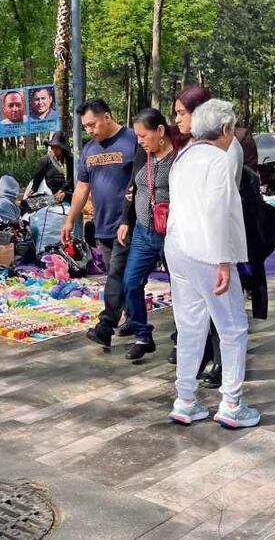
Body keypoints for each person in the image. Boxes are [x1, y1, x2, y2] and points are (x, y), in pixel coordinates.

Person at [166, 99, 260, 428]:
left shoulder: (184, 157)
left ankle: (186, 399)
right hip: (207, 251)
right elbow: (218, 212)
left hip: (178, 248)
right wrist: (224, 261)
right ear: (224, 130)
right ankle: (231, 403)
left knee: (190, 326)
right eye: (232, 129)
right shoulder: (218, 160)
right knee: (232, 327)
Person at [60, 99, 139, 350]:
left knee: (116, 273)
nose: (90, 131)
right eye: (85, 127)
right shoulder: (89, 150)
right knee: (119, 275)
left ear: (107, 117)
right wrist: (70, 219)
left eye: (92, 125)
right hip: (102, 224)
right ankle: (135, 319)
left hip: (127, 223)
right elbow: (82, 187)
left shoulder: (132, 139)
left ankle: (106, 326)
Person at [119, 109, 179, 361]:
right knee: (131, 282)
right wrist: (125, 220)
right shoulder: (142, 154)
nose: (140, 140)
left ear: (161, 132)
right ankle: (143, 335)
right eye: (138, 136)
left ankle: (182, 339)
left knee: (180, 289)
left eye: (144, 135)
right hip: (143, 231)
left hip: (172, 234)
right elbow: (132, 187)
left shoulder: (179, 158)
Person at [22, 132, 74, 206]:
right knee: (26, 205)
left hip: (66, 194)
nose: (54, 150)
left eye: (57, 148)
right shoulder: (45, 160)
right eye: (52, 147)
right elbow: (38, 177)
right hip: (49, 196)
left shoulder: (70, 160)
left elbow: (70, 180)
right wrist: (32, 190)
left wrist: (62, 191)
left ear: (62, 149)